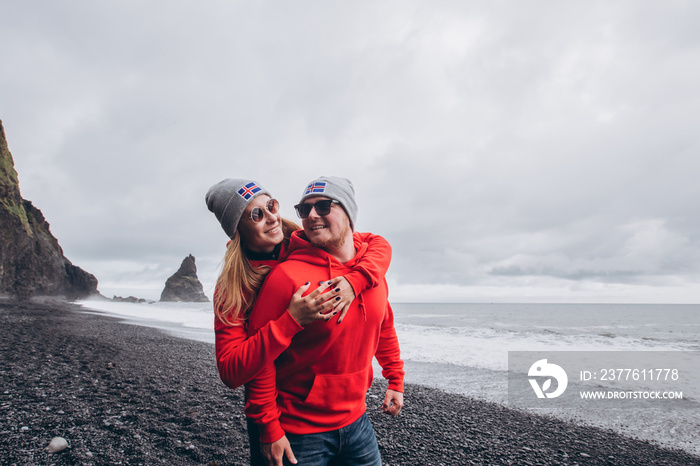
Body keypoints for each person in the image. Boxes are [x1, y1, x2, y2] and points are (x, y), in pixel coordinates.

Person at [205, 178, 393, 464]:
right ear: (238, 230)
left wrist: (355, 281)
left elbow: (375, 244)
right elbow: (233, 369)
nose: (272, 217)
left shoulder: (302, 240)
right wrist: (291, 320)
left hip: (348, 412)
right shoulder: (233, 286)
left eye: (271, 205)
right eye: (256, 214)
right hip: (278, 409)